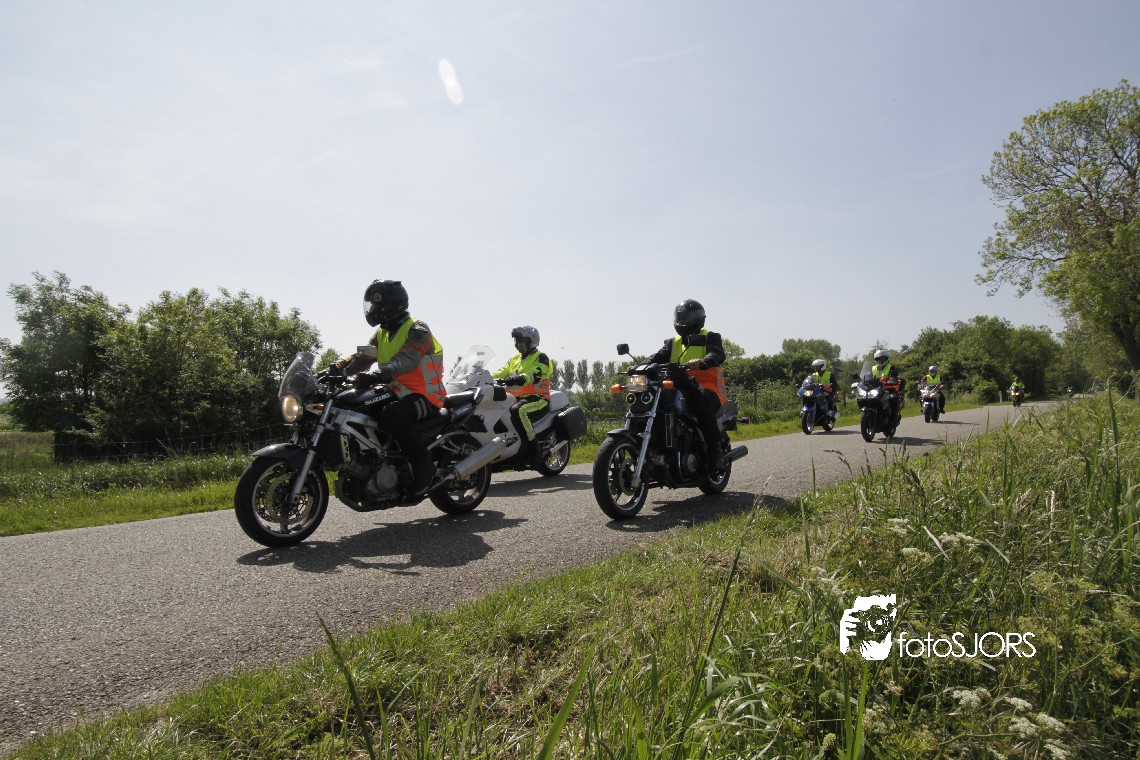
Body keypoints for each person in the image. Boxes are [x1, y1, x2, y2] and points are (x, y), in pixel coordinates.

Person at [335, 280, 446, 497]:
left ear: (390, 304)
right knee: (360, 407)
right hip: (396, 392)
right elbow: (364, 357)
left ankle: (424, 466)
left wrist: (380, 373)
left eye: (375, 305)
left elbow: (409, 358)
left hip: (427, 396)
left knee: (393, 414)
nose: (372, 310)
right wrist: (337, 369)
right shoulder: (382, 334)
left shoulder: (417, 329)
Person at [650, 299, 728, 470]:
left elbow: (717, 353)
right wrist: (641, 366)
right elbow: (657, 357)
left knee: (702, 403)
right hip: (680, 387)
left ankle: (715, 452)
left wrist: (704, 361)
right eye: (680, 317)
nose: (682, 320)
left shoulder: (710, 337)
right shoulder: (673, 342)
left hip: (708, 389)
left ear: (698, 319)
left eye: (686, 317)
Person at [492, 326, 554, 448]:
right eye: (516, 341)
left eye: (521, 341)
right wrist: (483, 376)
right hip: (514, 399)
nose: (518, 344)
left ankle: (532, 445)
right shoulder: (513, 360)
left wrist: (521, 378)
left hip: (538, 398)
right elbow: (500, 373)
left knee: (519, 410)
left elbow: (536, 373)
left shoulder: (541, 357)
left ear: (531, 342)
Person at [871, 349, 905, 423]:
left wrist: (892, 380)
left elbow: (894, 375)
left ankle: (894, 418)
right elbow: (867, 376)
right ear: (876, 359)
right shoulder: (873, 368)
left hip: (889, 388)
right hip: (876, 389)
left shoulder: (891, 367)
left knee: (893, 398)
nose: (881, 360)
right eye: (879, 359)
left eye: (883, 358)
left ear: (886, 358)